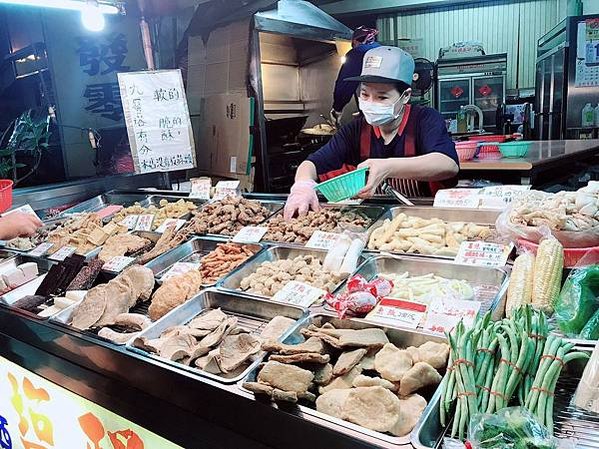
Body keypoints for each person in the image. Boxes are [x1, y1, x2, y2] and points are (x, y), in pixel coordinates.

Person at [285, 46, 459, 219]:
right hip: (373, 218)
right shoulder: (355, 130)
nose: (370, 102)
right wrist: (302, 185)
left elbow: (448, 164)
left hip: (426, 218)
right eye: (365, 94)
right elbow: (311, 164)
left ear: (405, 96)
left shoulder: (425, 119)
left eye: (381, 97)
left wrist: (387, 167)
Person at [330, 26, 381, 126]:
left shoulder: (357, 53)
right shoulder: (383, 51)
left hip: (372, 114)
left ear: (355, 41)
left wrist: (337, 108)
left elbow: (345, 84)